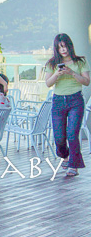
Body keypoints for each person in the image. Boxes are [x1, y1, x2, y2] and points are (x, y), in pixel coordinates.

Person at [45, 33, 90, 177]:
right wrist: (57, 74)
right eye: (60, 47)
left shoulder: (80, 61)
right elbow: (48, 83)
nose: (63, 50)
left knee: (72, 134)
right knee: (59, 136)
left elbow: (86, 81)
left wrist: (71, 73)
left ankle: (73, 166)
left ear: (69, 46)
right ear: (56, 49)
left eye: (64, 46)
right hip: (58, 101)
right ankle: (65, 156)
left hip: (75, 100)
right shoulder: (51, 64)